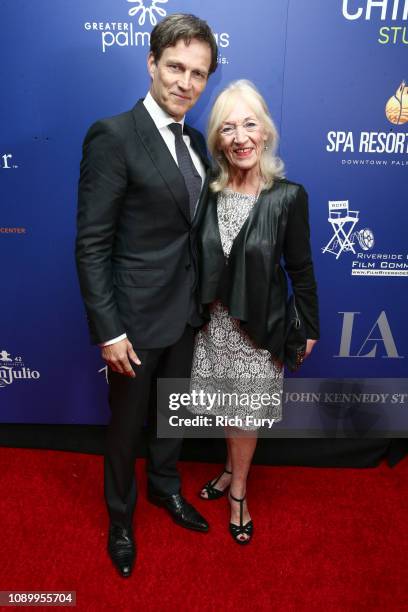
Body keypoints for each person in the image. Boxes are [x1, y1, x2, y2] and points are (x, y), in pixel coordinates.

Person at [75, 14, 218, 577]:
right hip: (132, 321)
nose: (186, 82)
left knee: (171, 416)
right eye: (176, 67)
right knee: (126, 426)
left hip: (186, 312)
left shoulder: (199, 143)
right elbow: (91, 244)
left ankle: (165, 488)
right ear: (152, 63)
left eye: (198, 73)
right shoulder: (113, 134)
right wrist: (109, 329)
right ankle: (120, 517)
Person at [190, 80, 319, 544]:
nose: (241, 136)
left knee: (245, 414)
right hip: (215, 328)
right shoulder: (210, 191)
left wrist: (308, 324)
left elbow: (301, 269)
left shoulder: (288, 197)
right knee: (229, 409)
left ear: (265, 132)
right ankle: (229, 469)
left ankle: (238, 490)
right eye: (228, 128)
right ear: (218, 141)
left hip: (257, 332)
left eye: (250, 124)